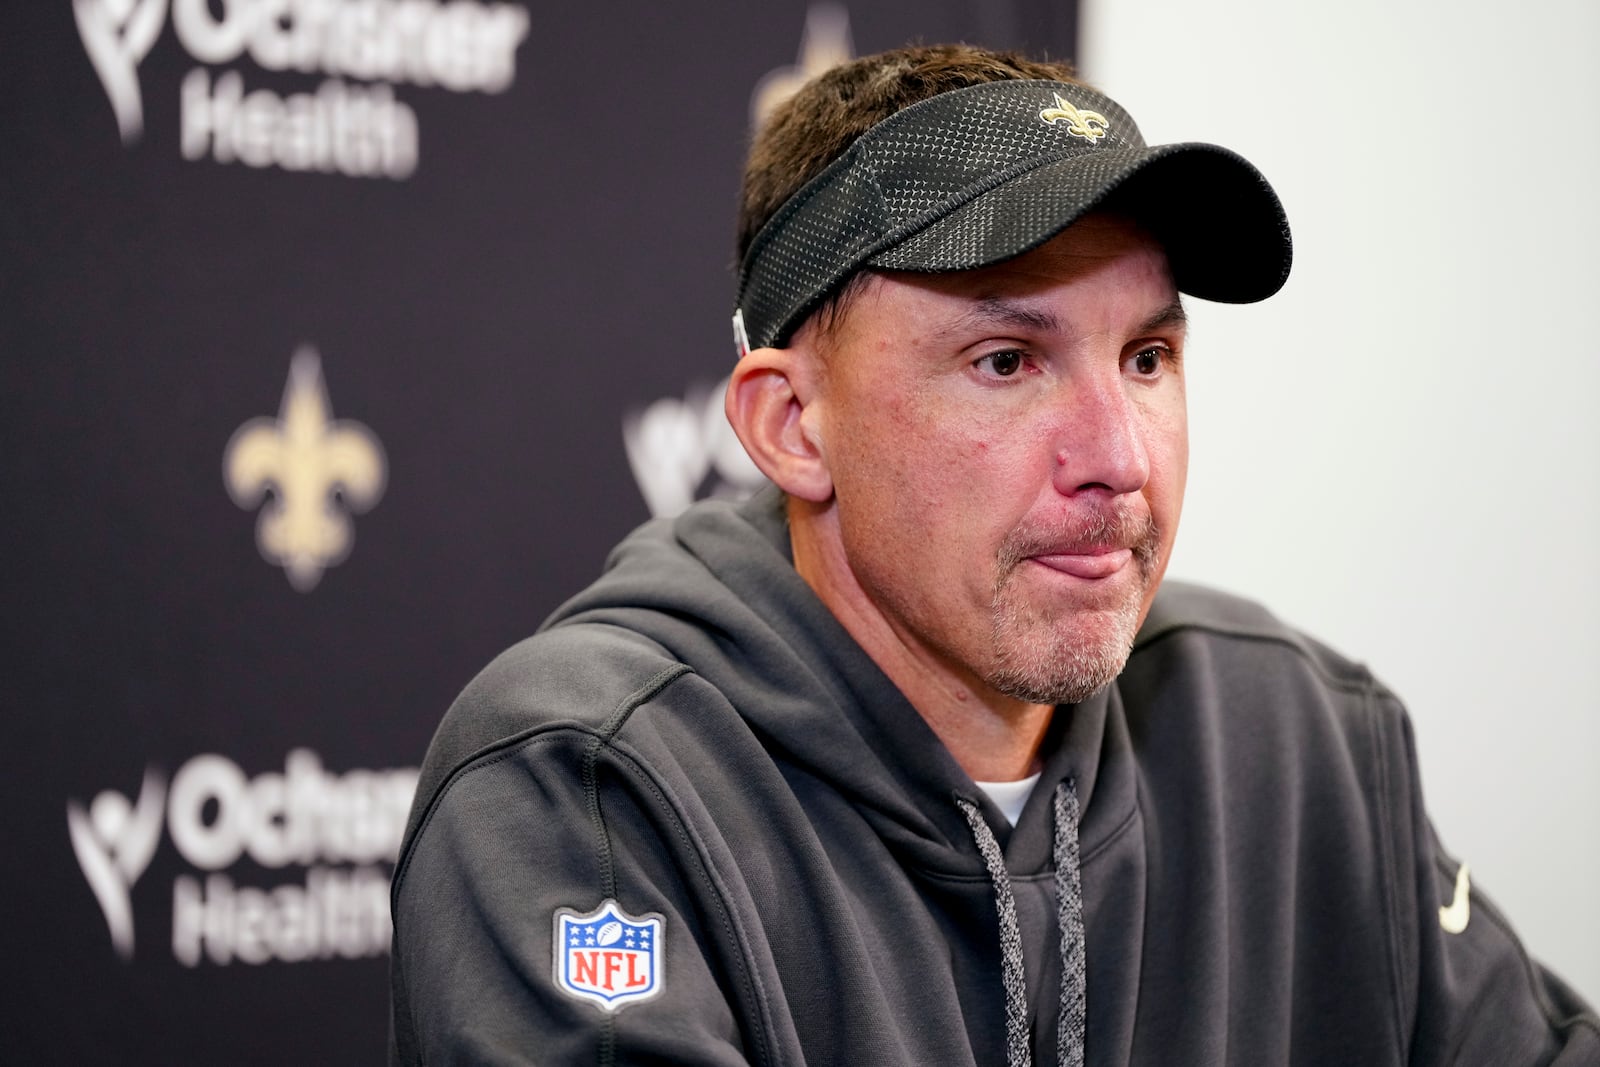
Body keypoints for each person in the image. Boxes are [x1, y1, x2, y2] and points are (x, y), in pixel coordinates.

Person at [389, 44, 1598, 1065]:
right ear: (793, 427)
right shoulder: (585, 785)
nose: (1119, 457)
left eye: (1148, 358)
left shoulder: (1301, 733)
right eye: (1006, 362)